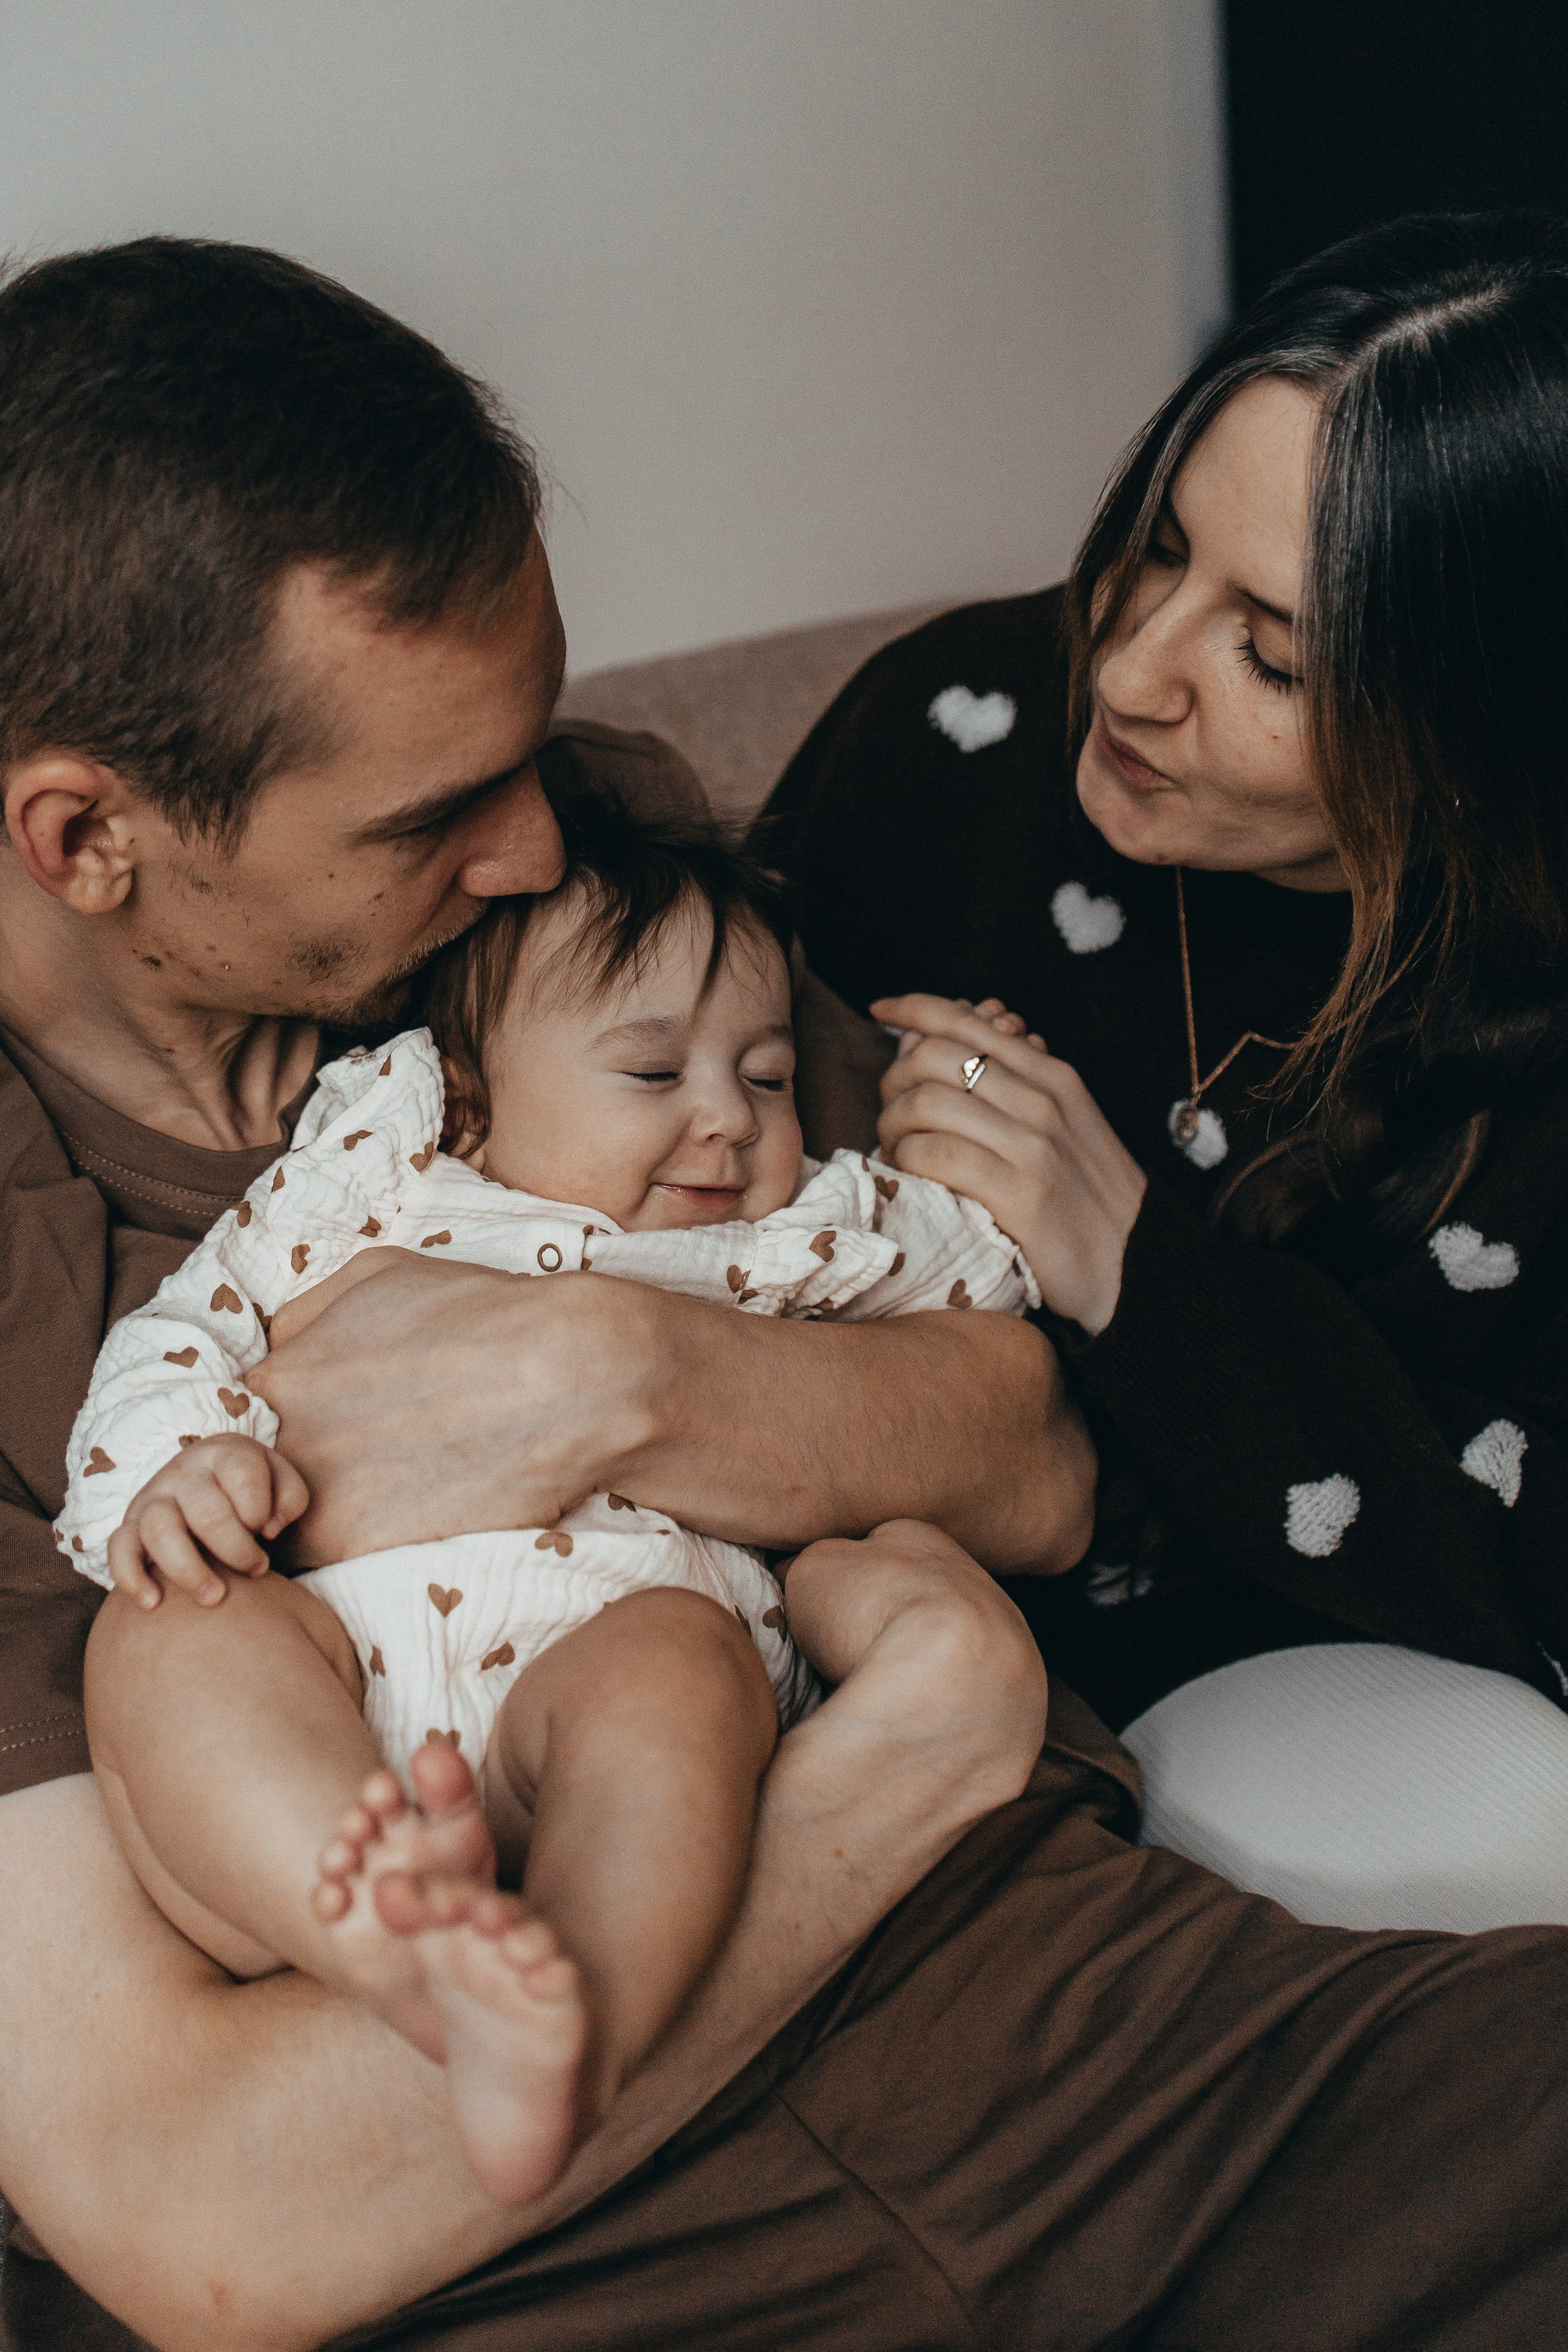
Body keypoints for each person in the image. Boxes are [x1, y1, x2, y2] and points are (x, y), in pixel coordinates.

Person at [4, 231, 1568, 2352]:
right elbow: (204, 2218)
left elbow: (1030, 1453)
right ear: (84, 837)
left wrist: (616, 1363)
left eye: (539, 744)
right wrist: (908, 1754)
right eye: (438, 811)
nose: (546, 848)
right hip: (579, 2248)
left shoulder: (607, 910)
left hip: (1133, 2045)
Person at [57, 789, 1044, 2209]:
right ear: (463, 1092)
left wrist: (953, 1116)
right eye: (652, 1076)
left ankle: (573, 2019)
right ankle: (384, 1937)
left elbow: (982, 1291)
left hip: (611, 1651)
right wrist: (179, 1465)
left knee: (682, 1675)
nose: (725, 1120)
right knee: (169, 1625)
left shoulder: (799, 1231)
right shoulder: (370, 1176)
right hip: (331, 1677)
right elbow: (186, 1325)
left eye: (764, 1076)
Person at [758, 208, 1568, 1741]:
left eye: (1270, 658)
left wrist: (1130, 1257)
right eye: (1160, 549)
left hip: (1289, 1722)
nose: (1127, 673)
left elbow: (1524, 1576)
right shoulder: (958, 726)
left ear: (1475, 729)